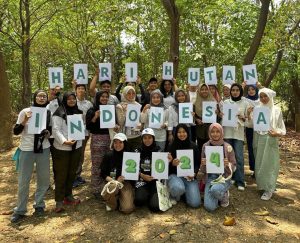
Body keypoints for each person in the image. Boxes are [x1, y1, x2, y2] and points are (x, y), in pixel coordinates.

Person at [11, 90, 51, 223]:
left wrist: (47, 133)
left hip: (43, 149)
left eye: (44, 96)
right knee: (23, 180)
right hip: (27, 150)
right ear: (35, 97)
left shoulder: (48, 112)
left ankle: (39, 205)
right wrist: (24, 121)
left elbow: (50, 130)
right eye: (39, 96)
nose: (41, 98)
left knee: (44, 179)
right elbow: (16, 132)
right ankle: (20, 210)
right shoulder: (25, 111)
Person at [51, 92, 83, 213]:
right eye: (68, 99)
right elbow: (55, 130)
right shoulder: (59, 113)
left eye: (73, 99)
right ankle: (59, 201)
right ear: (64, 100)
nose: (71, 101)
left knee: (72, 173)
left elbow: (80, 127)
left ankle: (68, 196)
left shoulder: (78, 112)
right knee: (61, 175)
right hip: (62, 149)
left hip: (76, 147)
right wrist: (65, 141)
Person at [252, 88, 286, 200]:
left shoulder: (276, 110)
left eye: (265, 96)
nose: (263, 99)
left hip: (270, 139)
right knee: (259, 163)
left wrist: (277, 132)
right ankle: (262, 185)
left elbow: (282, 128)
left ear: (270, 96)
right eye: (261, 96)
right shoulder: (257, 109)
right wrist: (248, 114)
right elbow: (251, 124)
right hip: (258, 138)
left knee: (270, 164)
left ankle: (269, 188)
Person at [86, 90, 120, 199]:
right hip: (97, 140)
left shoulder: (110, 109)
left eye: (106, 97)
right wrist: (95, 117)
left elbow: (113, 125)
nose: (104, 98)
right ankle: (96, 188)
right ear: (97, 98)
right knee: (97, 164)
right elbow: (88, 126)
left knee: (108, 164)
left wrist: (116, 127)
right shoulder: (92, 110)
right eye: (102, 97)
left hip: (109, 139)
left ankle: (108, 187)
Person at [198, 123, 236, 212]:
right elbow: (203, 170)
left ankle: (223, 194)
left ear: (221, 132)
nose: (215, 134)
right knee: (209, 207)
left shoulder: (227, 147)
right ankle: (217, 194)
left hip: (223, 177)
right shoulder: (205, 146)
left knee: (215, 189)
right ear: (209, 133)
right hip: (210, 177)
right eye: (212, 132)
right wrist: (203, 164)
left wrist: (228, 164)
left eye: (217, 131)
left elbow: (234, 166)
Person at [222, 83, 249, 191]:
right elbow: (223, 116)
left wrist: (243, 118)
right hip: (228, 132)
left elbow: (248, 120)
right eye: (233, 90)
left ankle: (240, 181)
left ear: (240, 91)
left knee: (239, 158)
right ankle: (230, 177)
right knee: (228, 157)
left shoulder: (245, 102)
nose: (235, 92)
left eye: (237, 90)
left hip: (238, 134)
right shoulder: (226, 102)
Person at [167, 124, 201, 208]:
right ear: (176, 133)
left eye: (184, 132)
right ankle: (175, 193)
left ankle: (184, 192)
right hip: (175, 175)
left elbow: (197, 164)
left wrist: (194, 173)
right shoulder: (171, 146)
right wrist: (172, 164)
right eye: (179, 132)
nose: (182, 134)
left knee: (195, 203)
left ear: (188, 132)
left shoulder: (194, 146)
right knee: (177, 188)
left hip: (189, 177)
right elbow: (166, 167)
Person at [100, 133, 135, 213]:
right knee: (112, 187)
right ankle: (112, 204)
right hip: (111, 182)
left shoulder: (131, 156)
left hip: (125, 183)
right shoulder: (108, 155)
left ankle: (120, 198)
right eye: (115, 142)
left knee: (127, 209)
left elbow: (134, 172)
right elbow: (102, 174)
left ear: (125, 143)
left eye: (120, 142)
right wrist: (115, 181)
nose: (117, 145)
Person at [134, 128, 161, 212]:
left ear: (153, 138)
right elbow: (133, 169)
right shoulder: (137, 151)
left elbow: (163, 168)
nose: (147, 140)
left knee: (155, 207)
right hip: (142, 179)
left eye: (150, 137)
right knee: (139, 201)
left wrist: (168, 161)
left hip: (154, 180)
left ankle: (151, 195)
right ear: (142, 139)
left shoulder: (158, 150)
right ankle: (145, 194)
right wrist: (141, 175)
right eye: (145, 138)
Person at [73, 84, 93, 187]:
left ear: (85, 91)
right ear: (75, 90)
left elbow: (90, 117)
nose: (81, 90)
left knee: (81, 154)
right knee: (74, 154)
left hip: (85, 132)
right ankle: (72, 177)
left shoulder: (88, 103)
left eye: (82, 88)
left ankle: (77, 175)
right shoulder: (72, 101)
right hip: (73, 132)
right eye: (79, 88)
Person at [116, 86, 142, 150]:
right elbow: (121, 123)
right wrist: (124, 111)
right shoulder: (120, 106)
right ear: (124, 94)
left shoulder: (138, 105)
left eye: (133, 93)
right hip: (124, 136)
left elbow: (140, 120)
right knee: (125, 158)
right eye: (129, 93)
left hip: (136, 136)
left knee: (136, 157)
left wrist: (140, 125)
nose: (131, 95)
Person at [194, 84, 215, 152]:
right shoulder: (195, 103)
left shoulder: (213, 101)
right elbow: (193, 116)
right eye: (202, 89)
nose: (204, 91)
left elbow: (218, 117)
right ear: (199, 91)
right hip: (200, 130)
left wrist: (217, 112)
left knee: (210, 150)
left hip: (211, 130)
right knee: (201, 149)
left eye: (206, 89)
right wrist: (196, 120)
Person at [244, 84, 259, 175]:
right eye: (249, 89)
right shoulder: (245, 99)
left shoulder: (260, 99)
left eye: (253, 89)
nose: (251, 91)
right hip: (249, 127)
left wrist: (260, 86)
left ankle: (259, 168)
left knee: (258, 148)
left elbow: (270, 94)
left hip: (259, 128)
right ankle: (254, 169)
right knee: (251, 148)